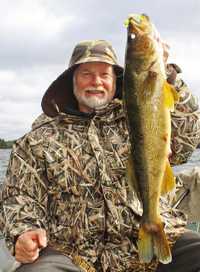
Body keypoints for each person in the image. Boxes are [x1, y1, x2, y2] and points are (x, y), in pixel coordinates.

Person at [0, 32, 200, 272]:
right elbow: (19, 197)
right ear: (72, 80)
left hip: (157, 237)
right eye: (87, 73)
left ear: (115, 80)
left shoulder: (140, 116)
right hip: (73, 254)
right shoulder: (36, 141)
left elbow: (185, 142)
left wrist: (168, 78)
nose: (96, 81)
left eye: (104, 73)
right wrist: (23, 231)